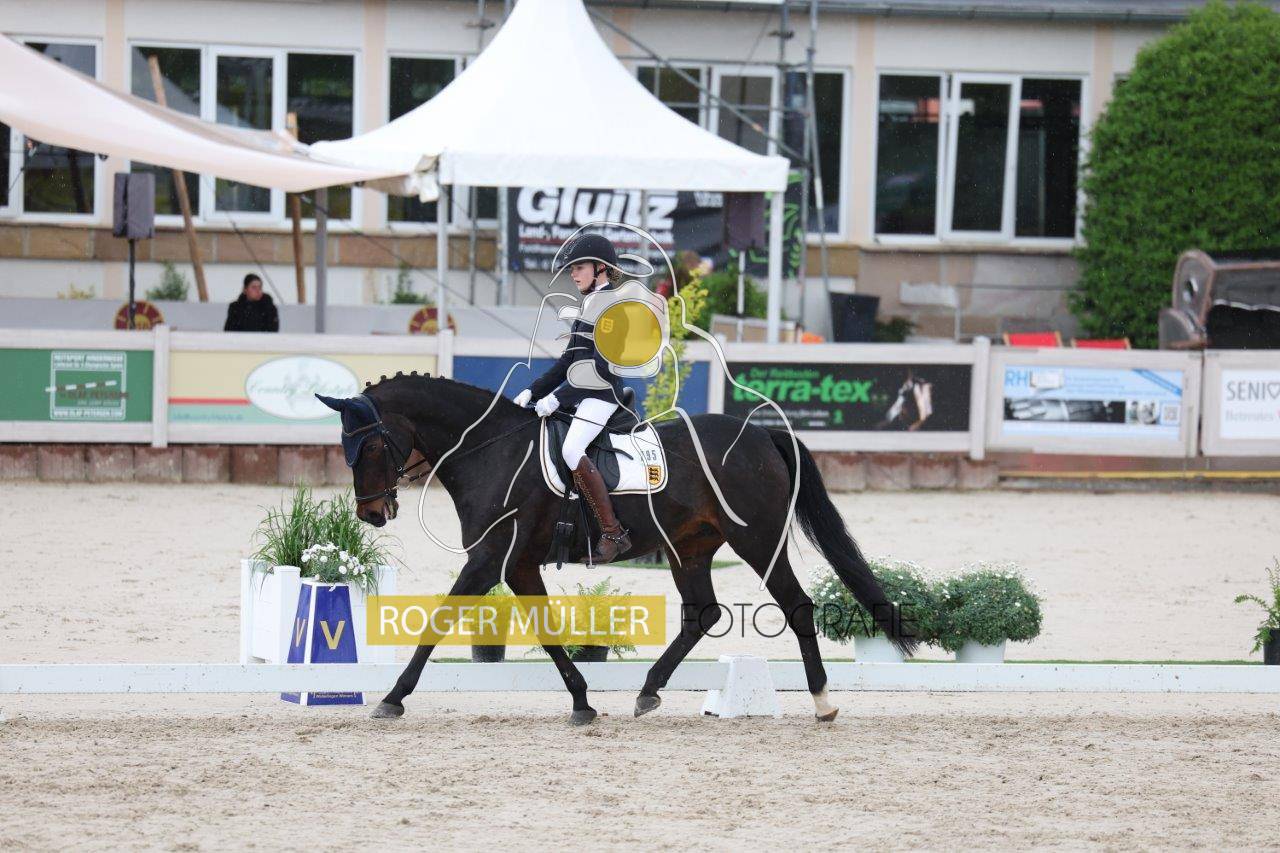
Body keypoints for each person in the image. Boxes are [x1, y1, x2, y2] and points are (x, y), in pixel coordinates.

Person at [514, 233, 631, 562]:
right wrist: (533, 390)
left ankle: (613, 533)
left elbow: (597, 368)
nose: (573, 274)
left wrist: (558, 398)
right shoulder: (588, 306)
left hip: (602, 395)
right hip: (581, 395)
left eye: (579, 267)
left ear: (600, 268)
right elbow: (569, 361)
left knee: (571, 449)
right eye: (572, 269)